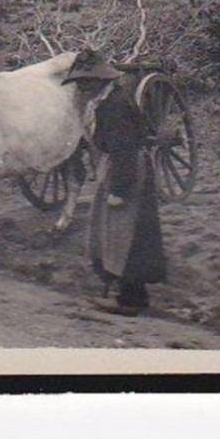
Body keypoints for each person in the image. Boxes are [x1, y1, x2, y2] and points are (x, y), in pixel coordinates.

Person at [63, 50, 167, 317]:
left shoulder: (115, 105)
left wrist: (119, 189)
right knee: (114, 233)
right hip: (118, 166)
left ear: (100, 80)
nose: (82, 87)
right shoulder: (105, 101)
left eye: (86, 81)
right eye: (80, 82)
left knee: (125, 234)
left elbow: (125, 148)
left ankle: (130, 300)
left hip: (128, 170)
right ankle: (131, 295)